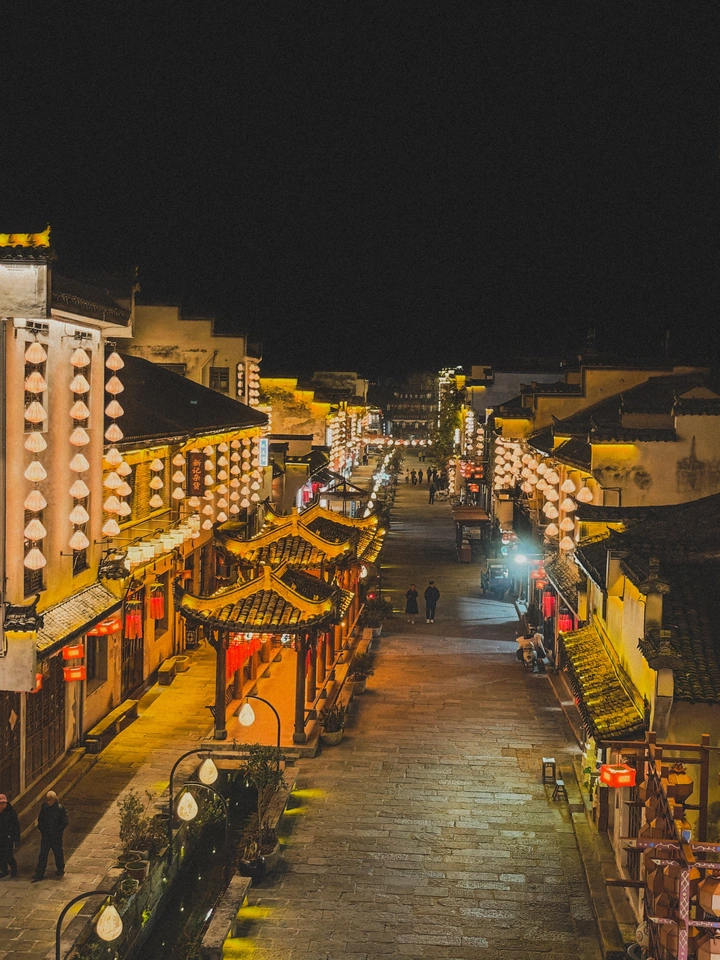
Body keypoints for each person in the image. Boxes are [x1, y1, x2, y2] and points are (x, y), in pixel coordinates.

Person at [32, 791, 69, 882]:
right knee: (43, 855)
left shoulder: (60, 808)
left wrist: (57, 831)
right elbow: (41, 819)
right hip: (46, 835)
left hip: (56, 836)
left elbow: (65, 822)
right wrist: (42, 829)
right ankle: (40, 873)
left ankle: (60, 869)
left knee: (58, 853)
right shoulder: (45, 807)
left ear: (54, 799)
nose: (48, 802)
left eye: (50, 800)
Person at [0, 794, 20, 879]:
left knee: (8, 854)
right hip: (1, 837)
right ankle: (3, 870)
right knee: (1, 854)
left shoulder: (11, 813)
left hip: (8, 837)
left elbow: (16, 826)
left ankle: (14, 868)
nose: (1, 805)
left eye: (2, 803)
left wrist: (16, 839)